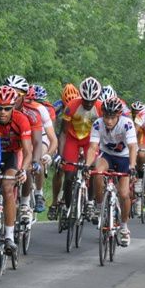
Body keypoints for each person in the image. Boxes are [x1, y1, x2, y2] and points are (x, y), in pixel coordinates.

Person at [86, 97, 138, 247]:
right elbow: (93, 147)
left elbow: (133, 147)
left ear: (119, 116)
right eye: (106, 116)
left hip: (124, 157)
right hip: (107, 155)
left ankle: (124, 227)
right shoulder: (98, 123)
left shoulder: (127, 124)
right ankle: (99, 205)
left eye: (112, 117)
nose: (108, 121)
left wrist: (133, 167)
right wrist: (86, 165)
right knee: (97, 172)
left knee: (123, 194)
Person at [0, 85, 33, 254]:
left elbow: (28, 151)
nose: (2, 112)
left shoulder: (21, 119)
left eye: (7, 109)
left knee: (8, 188)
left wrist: (23, 170)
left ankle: (9, 237)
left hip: (12, 155)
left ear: (14, 107)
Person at [59, 77, 104, 215]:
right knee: (68, 175)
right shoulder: (71, 106)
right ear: (81, 96)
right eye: (85, 100)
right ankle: (67, 209)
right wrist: (61, 156)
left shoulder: (101, 108)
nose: (89, 103)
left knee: (91, 169)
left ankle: (90, 201)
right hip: (73, 139)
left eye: (92, 100)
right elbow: (63, 133)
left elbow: (105, 131)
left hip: (91, 140)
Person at [4, 75, 43, 224]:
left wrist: (35, 161)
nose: (13, 98)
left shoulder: (31, 114)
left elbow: (38, 141)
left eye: (17, 95)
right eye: (10, 93)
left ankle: (25, 203)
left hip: (23, 146)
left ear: (24, 96)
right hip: (4, 147)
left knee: (25, 168)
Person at [48, 83, 80, 220]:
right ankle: (54, 202)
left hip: (76, 136)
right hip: (59, 136)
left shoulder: (80, 105)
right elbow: (49, 124)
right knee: (59, 168)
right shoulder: (57, 107)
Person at [29, 84, 58, 214]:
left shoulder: (47, 109)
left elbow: (51, 132)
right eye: (33, 100)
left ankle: (39, 194)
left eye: (39, 101)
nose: (35, 104)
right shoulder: (24, 107)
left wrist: (51, 152)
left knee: (38, 160)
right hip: (27, 135)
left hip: (43, 136)